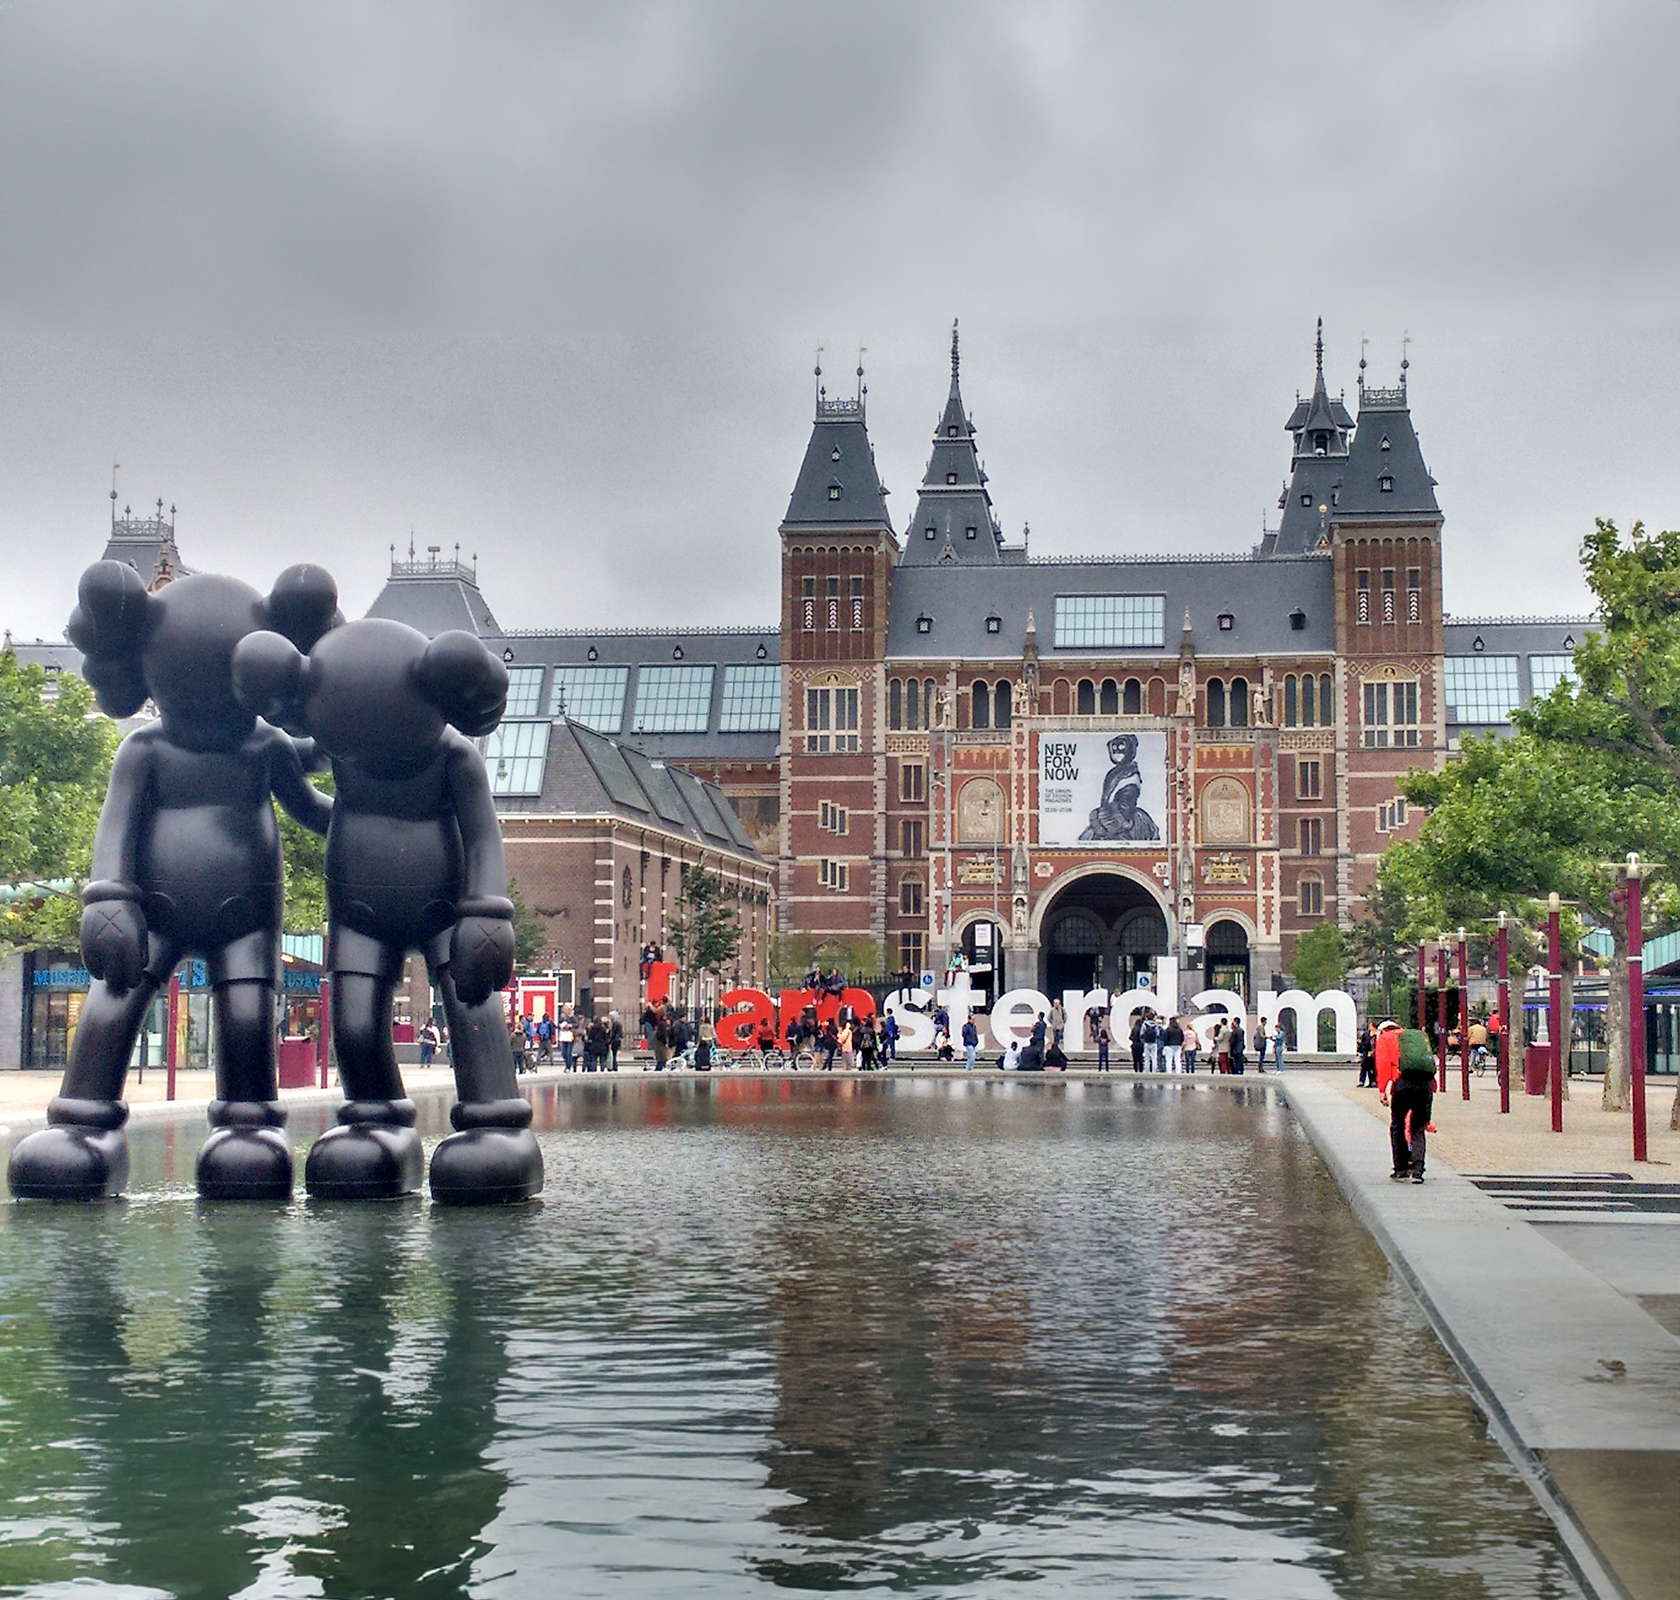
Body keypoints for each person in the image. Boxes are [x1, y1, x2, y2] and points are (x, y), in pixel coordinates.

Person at [1387, 1023, 1437, 1182]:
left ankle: (1400, 1168)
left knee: (1397, 1124)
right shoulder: (1421, 1044)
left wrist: (1384, 1089)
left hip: (1403, 1085)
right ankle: (1418, 1170)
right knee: (1418, 1127)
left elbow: (1386, 1064)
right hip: (1425, 1085)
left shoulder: (1391, 1040)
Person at [1356, 1021, 1377, 1087]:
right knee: (1364, 1068)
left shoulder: (1376, 1035)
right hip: (1366, 1054)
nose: (1370, 1028)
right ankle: (1362, 1081)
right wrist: (1360, 1043)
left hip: (1373, 1055)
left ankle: (1373, 1081)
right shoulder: (1366, 1034)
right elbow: (1364, 1043)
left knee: (1372, 1069)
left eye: (1371, 1026)